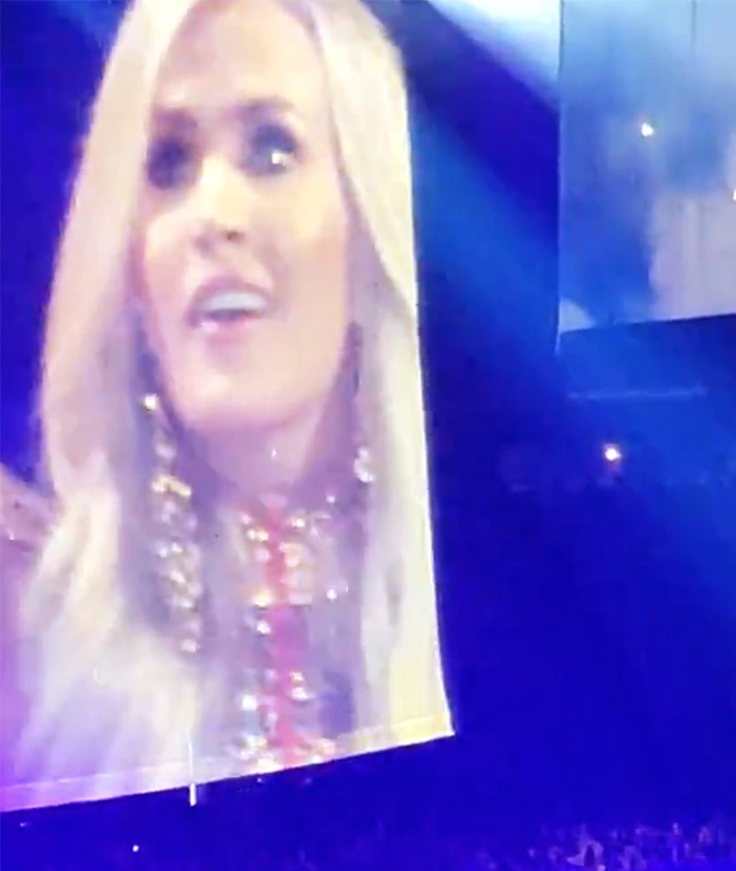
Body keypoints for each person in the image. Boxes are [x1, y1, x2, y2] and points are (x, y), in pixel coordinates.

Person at [0, 0, 449, 810]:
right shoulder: (24, 627)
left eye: (272, 149)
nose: (212, 215)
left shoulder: (482, 605)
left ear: (366, 219)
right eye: (168, 164)